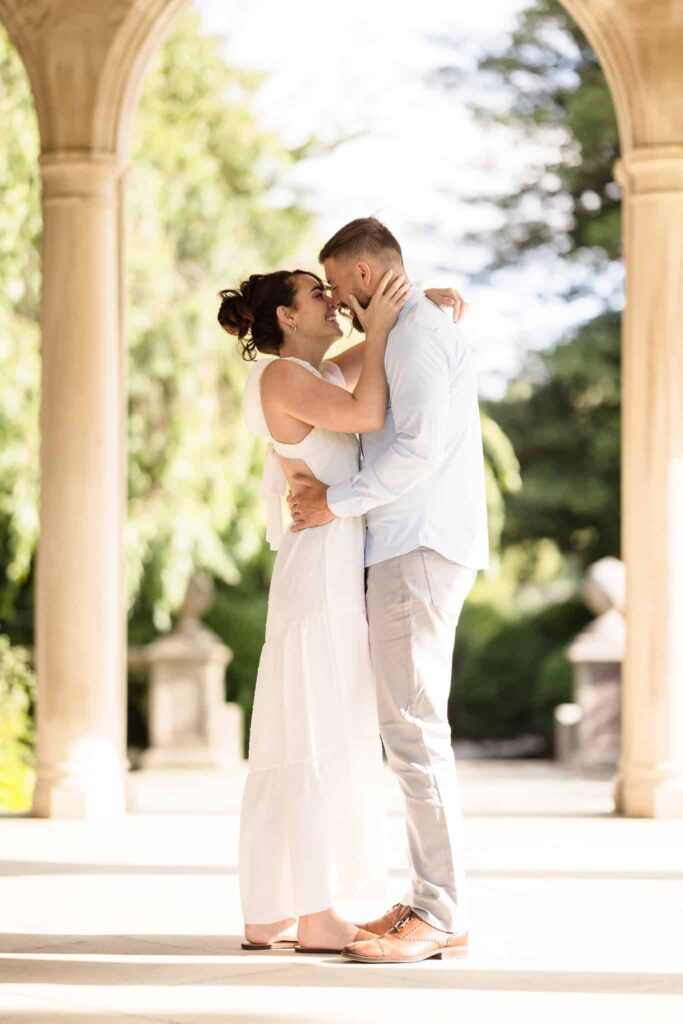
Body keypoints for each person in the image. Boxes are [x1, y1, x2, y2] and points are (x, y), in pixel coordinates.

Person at [217, 264, 467, 956]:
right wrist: (385, 322)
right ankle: (313, 911)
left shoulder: (316, 372)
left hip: (328, 554)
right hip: (322, 563)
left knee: (308, 724)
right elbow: (369, 413)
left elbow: (377, 356)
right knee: (318, 727)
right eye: (316, 294)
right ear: (286, 318)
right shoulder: (282, 377)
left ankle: (271, 910)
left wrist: (420, 306)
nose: (333, 304)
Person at [289, 217, 489, 964]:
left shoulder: (411, 335)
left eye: (340, 287)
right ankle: (431, 900)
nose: (338, 304)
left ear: (366, 276)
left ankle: (438, 913)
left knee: (412, 732)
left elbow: (417, 449)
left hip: (419, 544)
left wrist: (335, 504)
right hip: (410, 544)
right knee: (406, 730)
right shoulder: (406, 328)